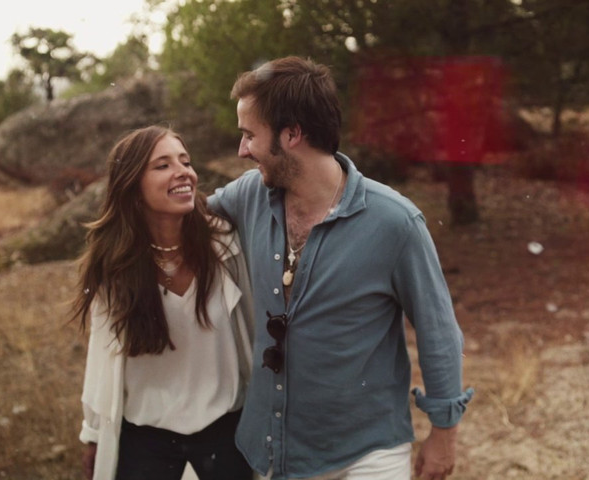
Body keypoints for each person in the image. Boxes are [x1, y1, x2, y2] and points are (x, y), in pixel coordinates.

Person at [208, 56, 474, 480]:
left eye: (249, 135)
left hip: (369, 453)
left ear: (292, 133)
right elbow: (183, 224)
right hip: (275, 449)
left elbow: (438, 331)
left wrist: (444, 433)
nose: (242, 150)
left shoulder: (395, 223)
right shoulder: (248, 196)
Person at [72, 125, 255, 480]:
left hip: (226, 440)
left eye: (185, 161)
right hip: (145, 448)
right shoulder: (115, 266)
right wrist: (93, 434)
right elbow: (101, 356)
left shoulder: (225, 246)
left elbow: (252, 329)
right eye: (163, 165)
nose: (184, 171)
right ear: (133, 186)